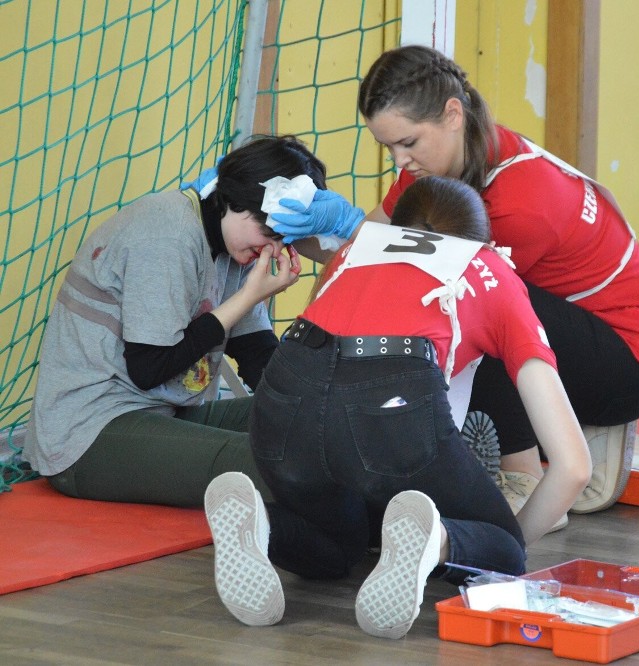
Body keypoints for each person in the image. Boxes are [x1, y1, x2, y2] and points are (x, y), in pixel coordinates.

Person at [269, 44, 639, 522]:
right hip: (578, 323)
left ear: (451, 115)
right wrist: (315, 255)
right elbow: (367, 251)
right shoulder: (442, 164)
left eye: (408, 143)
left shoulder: (520, 203)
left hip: (632, 360)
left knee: (466, 304)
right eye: (389, 148)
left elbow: (434, 301)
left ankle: (522, 477)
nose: (399, 161)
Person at [203, 175, 592, 639]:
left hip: (286, 387)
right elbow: (573, 468)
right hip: (390, 397)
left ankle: (263, 525)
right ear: (485, 240)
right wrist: (504, 539)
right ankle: (436, 539)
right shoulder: (489, 269)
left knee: (340, 547)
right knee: (503, 551)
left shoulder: (358, 247)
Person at [22, 134, 326, 508]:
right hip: (90, 432)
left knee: (321, 422)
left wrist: (308, 408)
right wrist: (250, 296)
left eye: (283, 238)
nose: (272, 248)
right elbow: (150, 368)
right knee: (282, 466)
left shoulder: (237, 249)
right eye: (268, 233)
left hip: (171, 415)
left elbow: (257, 355)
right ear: (232, 200)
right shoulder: (168, 232)